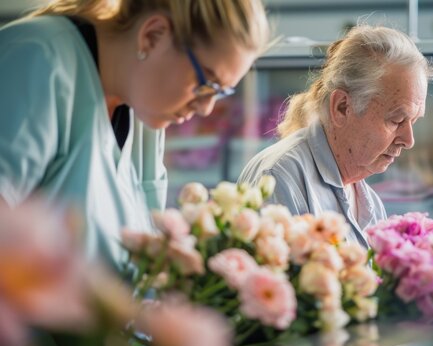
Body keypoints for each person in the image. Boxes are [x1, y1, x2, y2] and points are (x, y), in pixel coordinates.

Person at [0, 0, 270, 270]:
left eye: (221, 92)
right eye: (205, 84)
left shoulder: (144, 112)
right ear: (152, 36)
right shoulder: (36, 58)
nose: (205, 108)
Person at [238, 24, 433, 247]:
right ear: (342, 107)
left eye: (413, 121)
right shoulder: (279, 177)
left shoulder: (368, 201)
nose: (409, 140)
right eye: (396, 120)